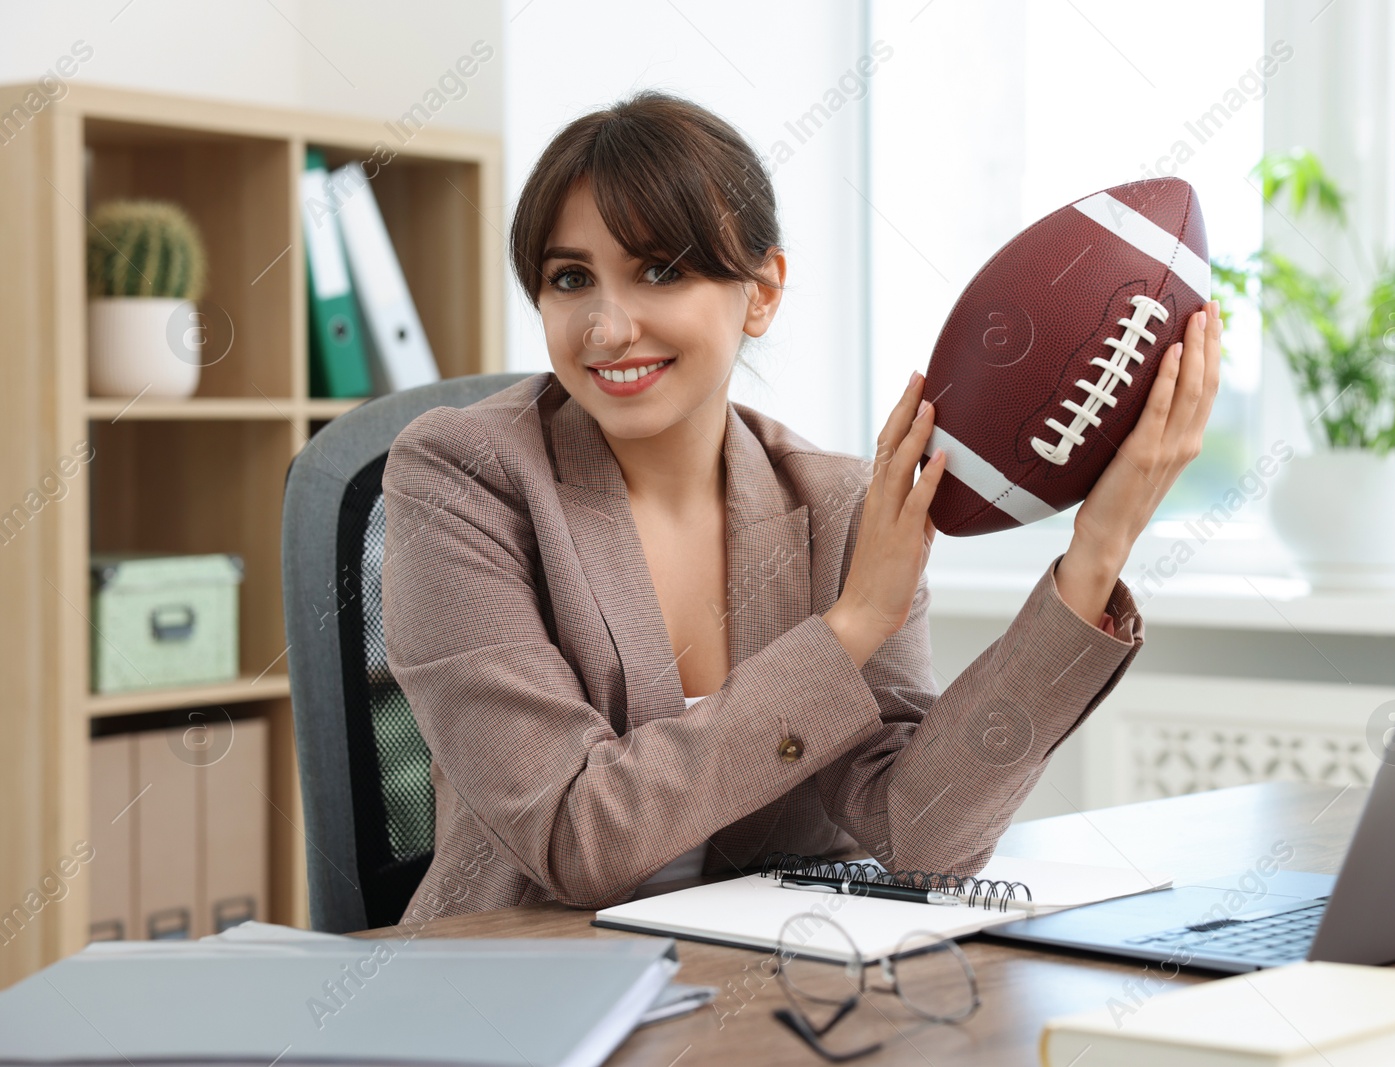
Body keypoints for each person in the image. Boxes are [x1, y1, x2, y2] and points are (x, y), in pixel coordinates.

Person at [381, 90, 1222, 918]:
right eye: (570, 279)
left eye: (660, 271)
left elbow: (922, 840)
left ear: (763, 291)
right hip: (523, 1000)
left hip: (764, 994)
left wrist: (1096, 553)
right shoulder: (460, 477)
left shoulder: (840, 505)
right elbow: (578, 837)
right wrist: (851, 625)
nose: (605, 327)